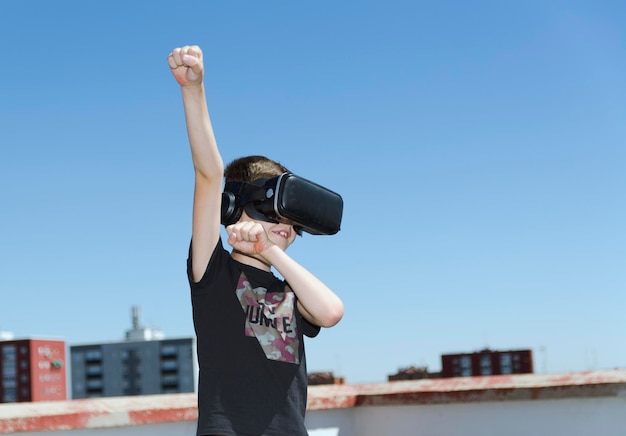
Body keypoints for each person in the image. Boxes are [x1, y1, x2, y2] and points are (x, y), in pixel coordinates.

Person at [167, 45, 345, 436]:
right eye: (270, 213)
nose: (284, 226)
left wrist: (272, 253)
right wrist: (193, 90)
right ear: (233, 211)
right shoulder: (212, 273)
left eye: (292, 221)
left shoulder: (291, 291)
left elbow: (331, 312)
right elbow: (209, 175)